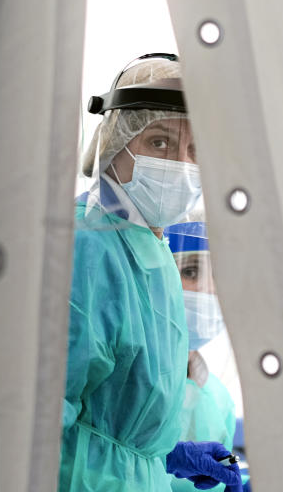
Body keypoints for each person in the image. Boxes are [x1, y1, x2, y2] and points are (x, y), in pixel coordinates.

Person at [60, 54, 242, 492]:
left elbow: (115, 416)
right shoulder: (85, 248)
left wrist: (166, 451)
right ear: (115, 142)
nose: (180, 164)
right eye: (159, 142)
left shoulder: (152, 254)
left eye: (194, 150)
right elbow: (38, 424)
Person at [163, 221, 241, 492]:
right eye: (191, 271)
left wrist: (234, 466)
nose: (208, 289)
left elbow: (229, 459)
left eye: (217, 277)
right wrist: (165, 457)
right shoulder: (125, 376)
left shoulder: (219, 399)